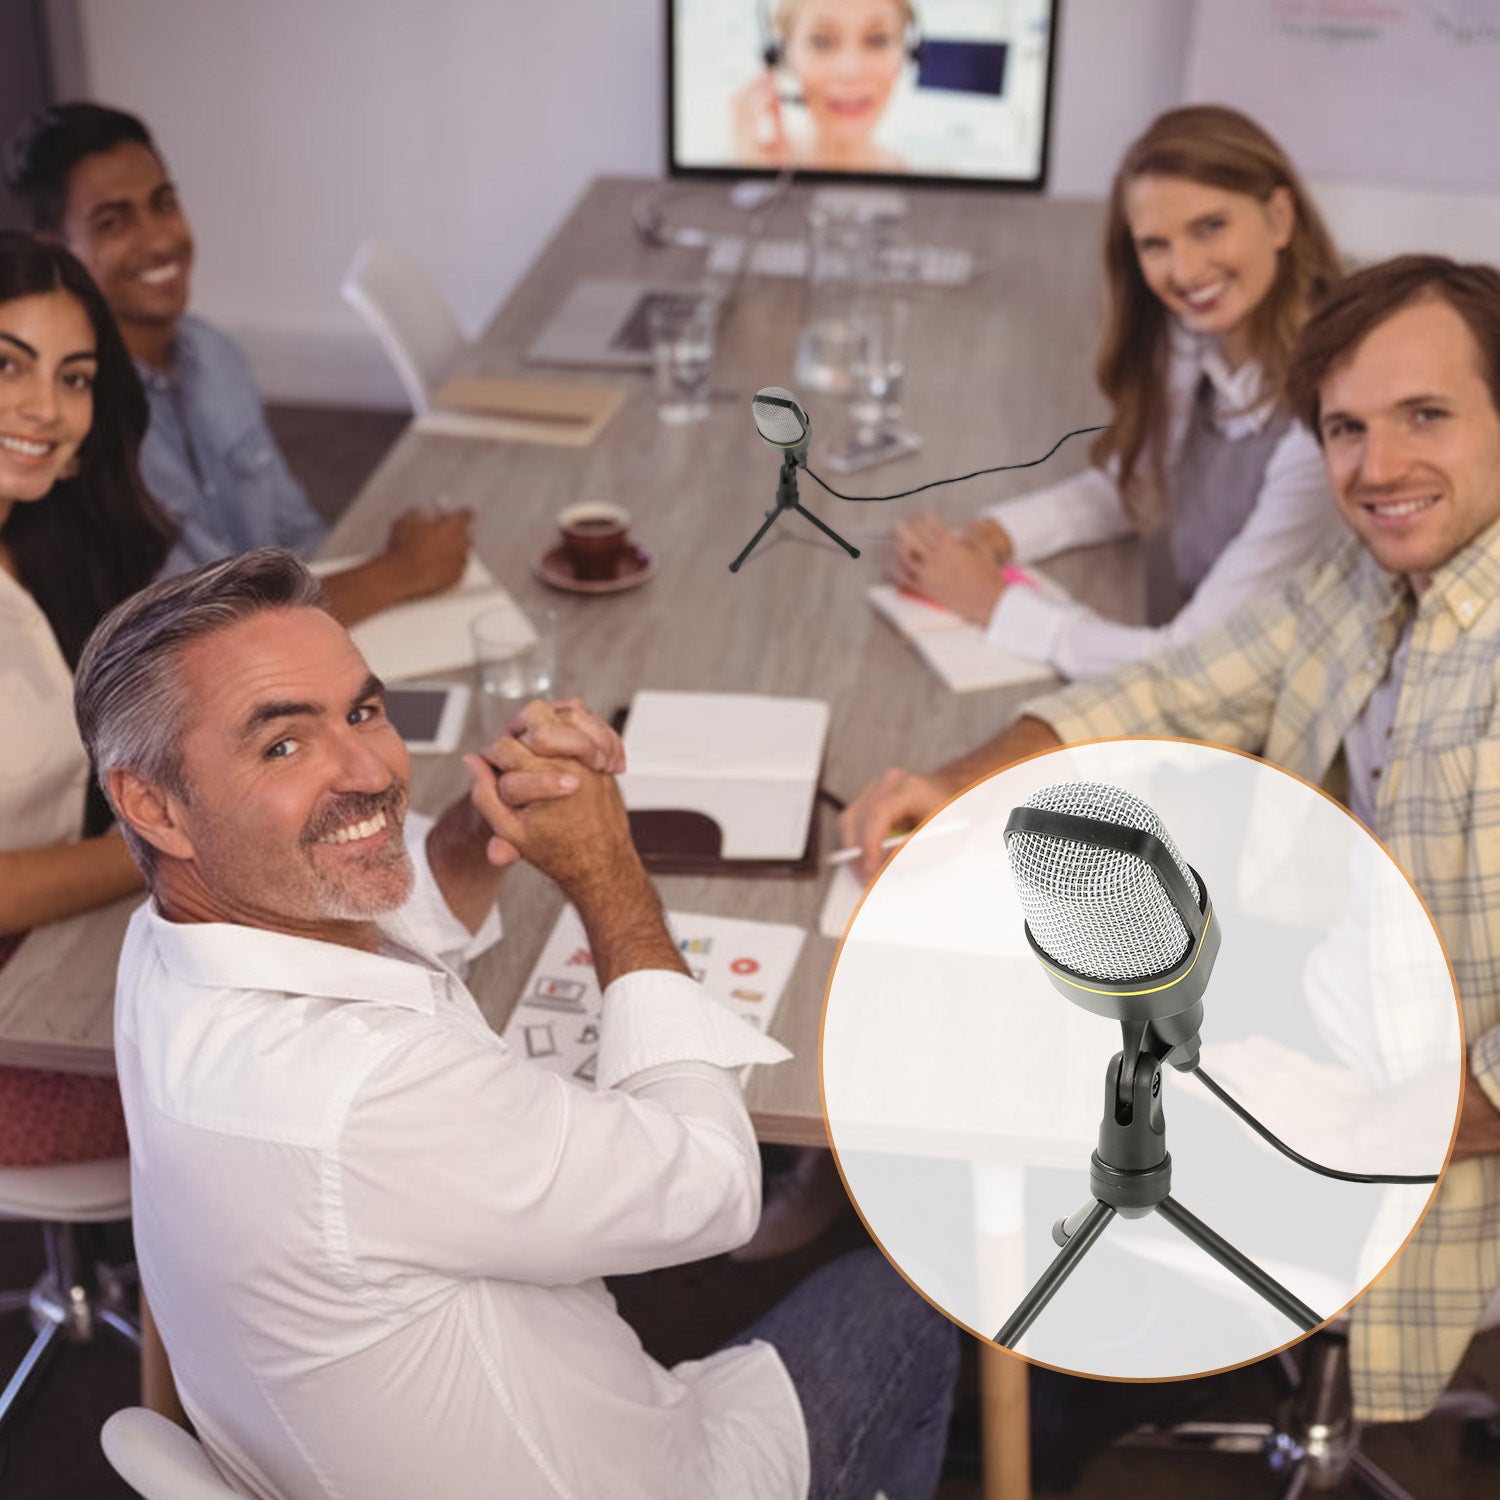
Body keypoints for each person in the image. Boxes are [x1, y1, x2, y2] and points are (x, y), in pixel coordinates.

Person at [73, 547, 958, 1500]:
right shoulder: (364, 1095)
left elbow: (382, 906)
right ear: (152, 804)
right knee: (909, 1299)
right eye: (284, 745)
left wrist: (497, 802)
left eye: (365, 712)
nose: (369, 768)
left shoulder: (166, 949)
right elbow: (712, 1185)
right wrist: (608, 875)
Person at [843, 254, 1500, 1424]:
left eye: (1427, 416)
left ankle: (1067, 1390)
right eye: (1346, 429)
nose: (1378, 467)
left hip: (1428, 1117)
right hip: (1326, 996)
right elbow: (1185, 687)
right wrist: (951, 779)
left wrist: (1385, 1123)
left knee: (991, 1134)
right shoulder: (1379, 576)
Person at [896, 105, 1346, 679]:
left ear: (1279, 218)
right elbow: (1144, 482)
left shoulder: (1328, 424)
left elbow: (1190, 661)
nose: (1184, 270)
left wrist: (994, 603)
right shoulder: (1204, 338)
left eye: (1211, 227)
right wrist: (995, 535)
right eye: (1155, 244)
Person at [3, 103, 471, 626]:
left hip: (295, 630)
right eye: (114, 222)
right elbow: (185, 635)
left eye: (163, 204)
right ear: (54, 250)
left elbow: (295, 533)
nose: (160, 239)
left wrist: (376, 576)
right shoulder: (81, 423)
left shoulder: (216, 355)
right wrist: (396, 573)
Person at [0, 230, 176, 1167]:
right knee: (235, 1101)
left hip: (52, 953)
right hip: (17, 1020)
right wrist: (153, 844)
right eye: (9, 366)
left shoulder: (31, 544)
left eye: (74, 378)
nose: (46, 408)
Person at [735, 0, 914, 172]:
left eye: (877, 40)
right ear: (782, 56)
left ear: (908, 52)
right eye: (822, 41)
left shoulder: (924, 185)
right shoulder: (745, 167)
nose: (850, 71)